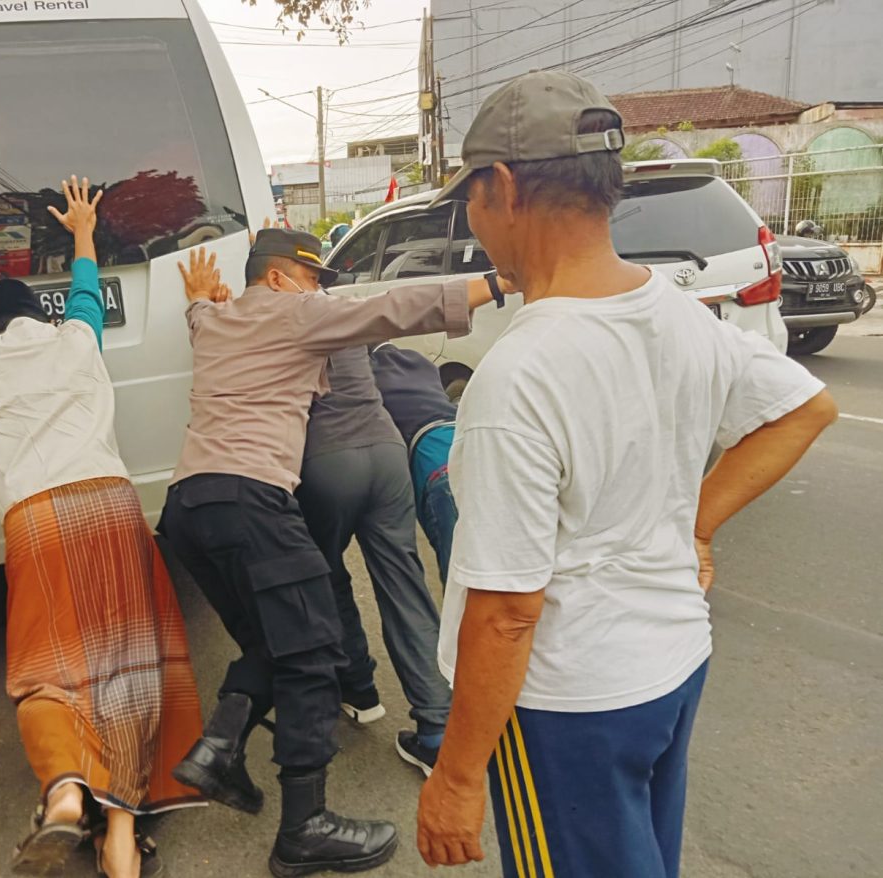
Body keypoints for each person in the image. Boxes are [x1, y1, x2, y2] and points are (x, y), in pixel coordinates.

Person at [413, 71, 838, 878]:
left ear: (503, 187)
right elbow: (805, 407)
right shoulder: (679, 310)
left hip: (571, 703)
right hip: (671, 665)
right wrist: (696, 526)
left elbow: (506, 612)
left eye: (468, 195)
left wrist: (458, 776)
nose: (471, 216)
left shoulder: (521, 375)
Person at [160, 228, 497, 877]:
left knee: (277, 640)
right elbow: (397, 307)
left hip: (190, 507)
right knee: (314, 651)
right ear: (284, 277)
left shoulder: (216, 320)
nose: (318, 288)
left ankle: (218, 752)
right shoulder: (296, 309)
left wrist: (198, 298)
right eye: (311, 277)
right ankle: (304, 827)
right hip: (253, 497)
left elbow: (201, 311)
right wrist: (501, 280)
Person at [0, 177, 204, 878]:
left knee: (50, 669)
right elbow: (86, 287)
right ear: (43, 319)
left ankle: (62, 793)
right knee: (127, 666)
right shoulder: (78, 340)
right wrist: (83, 228)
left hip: (37, 520)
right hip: (110, 507)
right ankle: (121, 832)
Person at [294, 336, 459, 778]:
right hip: (387, 455)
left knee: (327, 574)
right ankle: (437, 732)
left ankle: (360, 690)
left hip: (325, 459)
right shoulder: (340, 316)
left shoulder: (272, 318)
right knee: (404, 584)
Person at [368, 343, 461, 585]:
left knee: (460, 584)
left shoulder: (367, 373)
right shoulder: (419, 361)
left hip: (439, 469)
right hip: (466, 444)